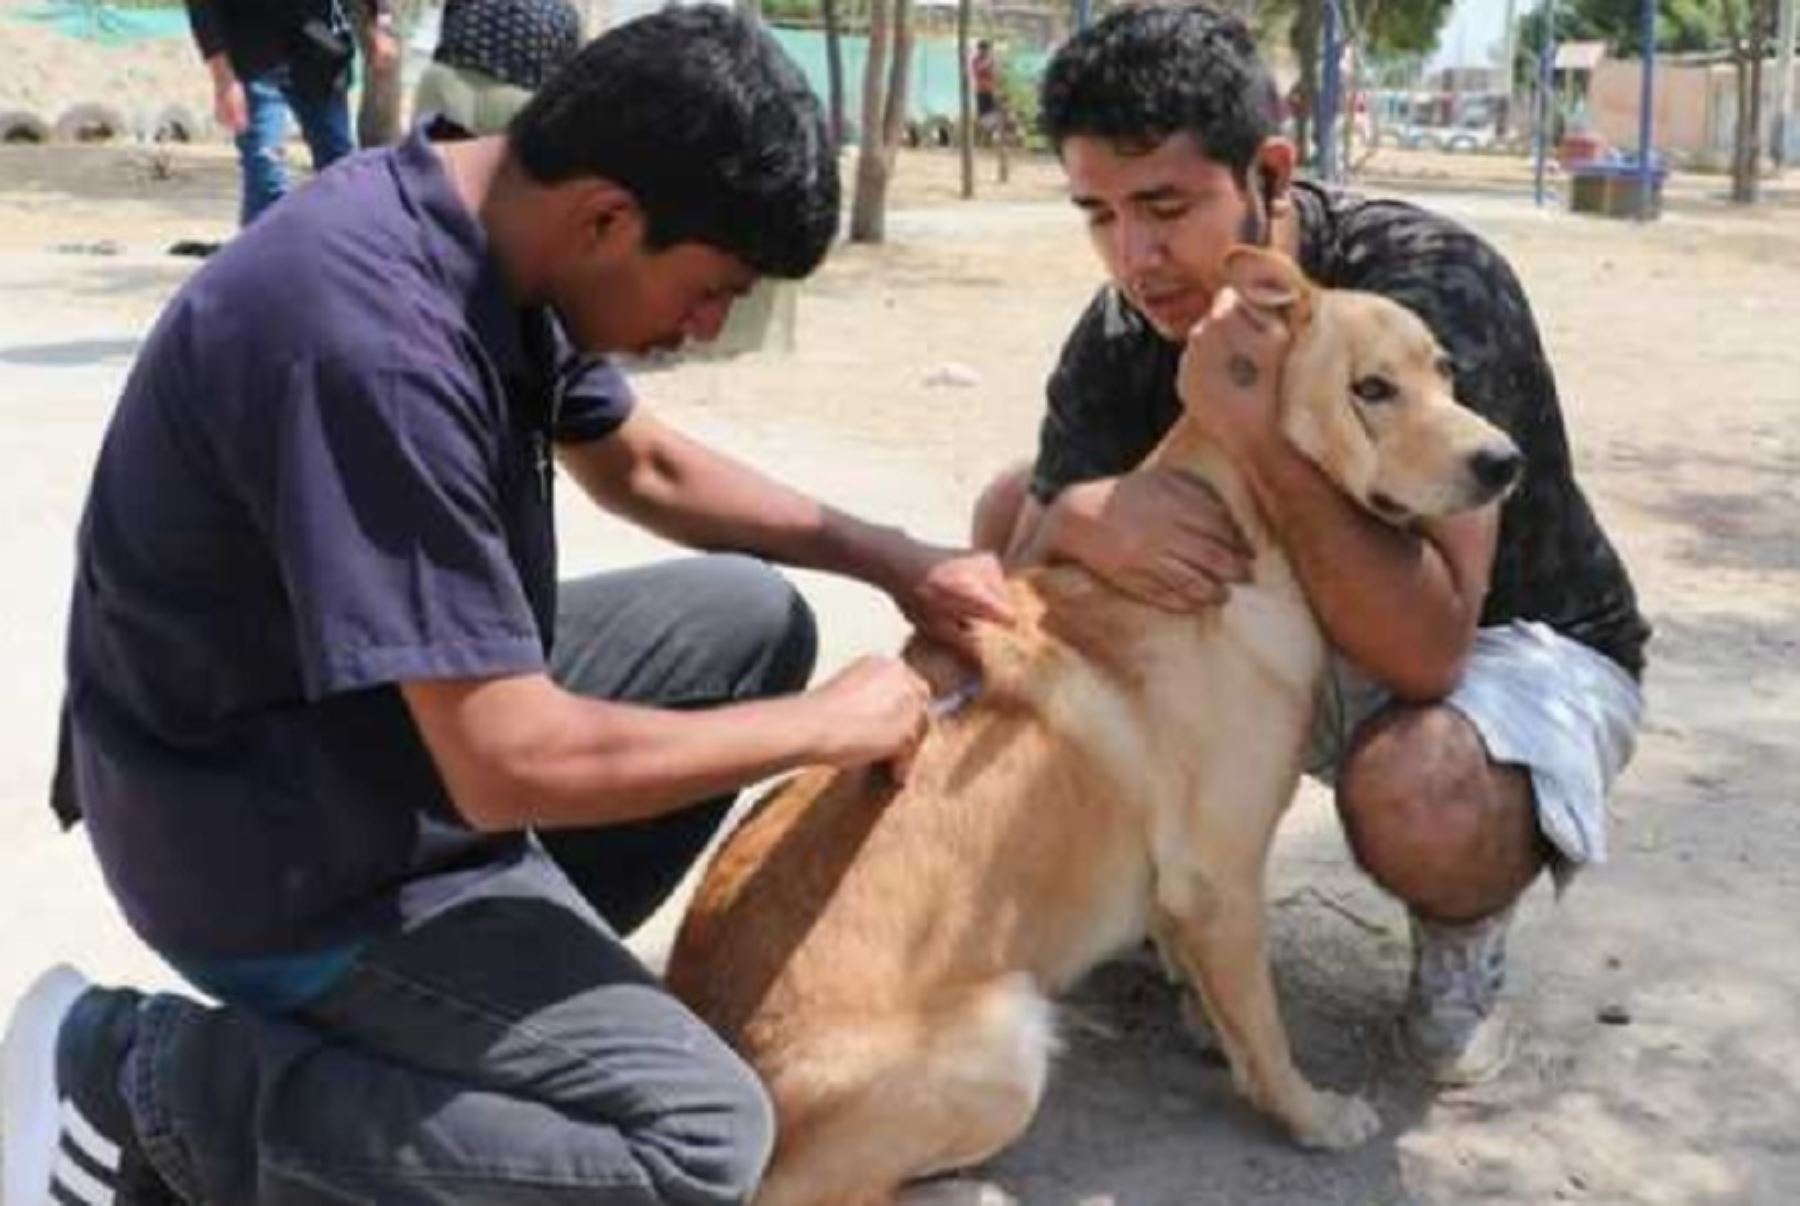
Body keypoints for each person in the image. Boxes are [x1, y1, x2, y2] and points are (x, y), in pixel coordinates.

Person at [2, 11, 1013, 1206]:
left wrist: (889, 556)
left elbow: (643, 467)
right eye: (709, 293)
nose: (701, 331)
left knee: (746, 619)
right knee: (697, 1143)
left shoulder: (490, 222)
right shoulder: (373, 341)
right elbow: (503, 761)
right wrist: (829, 725)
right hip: (257, 843)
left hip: (350, 730)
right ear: (607, 218)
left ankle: (481, 1032)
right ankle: (141, 1080)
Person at [972, 3, 1649, 1086]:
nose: (1135, 256)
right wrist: (1087, 514)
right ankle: (1157, 887)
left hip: (1500, 649)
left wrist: (1250, 426)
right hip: (1291, 629)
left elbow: (1428, 647)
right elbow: (1021, 576)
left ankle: (1460, 942)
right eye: (1097, 214)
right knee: (1021, 502)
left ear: (1268, 174)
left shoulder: (1423, 286)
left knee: (1422, 790)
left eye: (1166, 205)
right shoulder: (1121, 330)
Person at [186, 0, 399, 225]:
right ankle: (264, 254)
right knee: (265, 170)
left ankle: (343, 251)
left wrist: (381, 24)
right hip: (252, 57)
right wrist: (224, 80)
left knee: (339, 167)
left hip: (319, 53)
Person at [414, 0, 584, 137]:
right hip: (518, 97)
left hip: (446, 82)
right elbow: (566, 78)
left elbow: (446, 32)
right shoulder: (563, 13)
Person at [970, 38, 1001, 144]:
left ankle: (993, 133)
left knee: (992, 111)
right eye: (982, 49)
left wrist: (992, 66)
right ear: (979, 50)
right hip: (980, 90)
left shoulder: (991, 60)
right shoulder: (976, 60)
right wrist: (988, 64)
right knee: (982, 114)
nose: (984, 52)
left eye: (986, 49)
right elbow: (977, 71)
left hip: (990, 90)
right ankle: (988, 133)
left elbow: (995, 74)